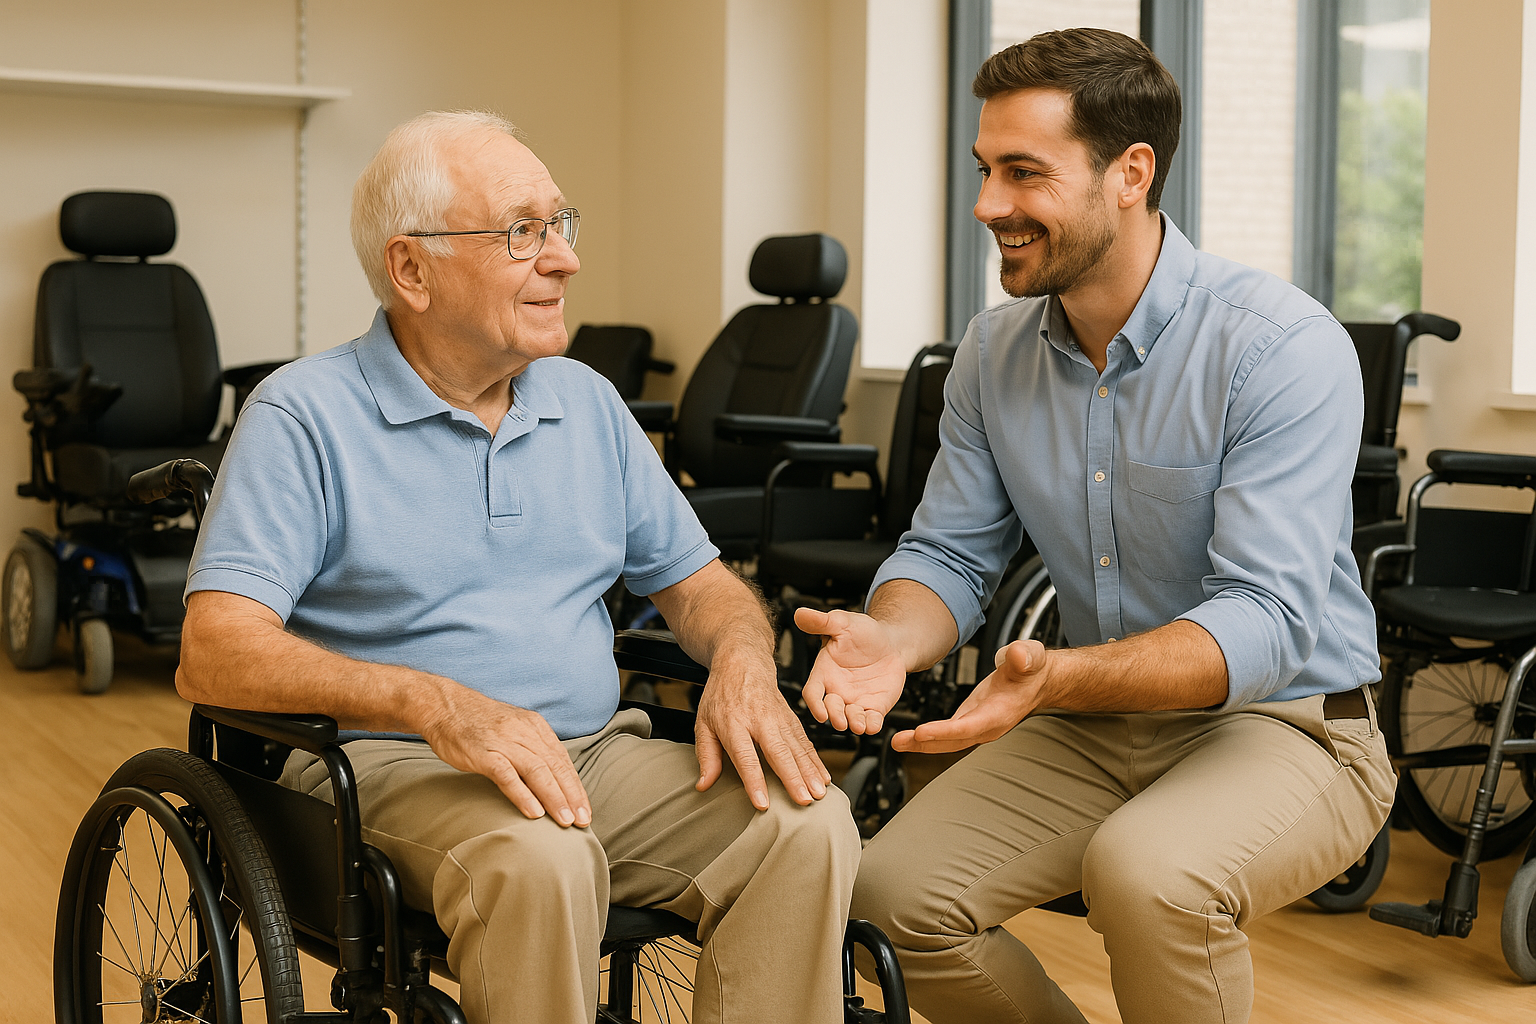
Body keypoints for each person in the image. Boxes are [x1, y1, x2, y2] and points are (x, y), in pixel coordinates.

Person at [176, 109, 860, 1024]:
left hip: (592, 757)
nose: (564, 259)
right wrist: (433, 701)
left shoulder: (588, 402)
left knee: (806, 825)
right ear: (410, 269)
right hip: (388, 767)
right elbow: (213, 652)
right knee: (540, 858)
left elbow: (700, 584)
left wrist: (740, 662)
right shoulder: (303, 417)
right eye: (520, 232)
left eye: (559, 224)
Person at [795, 28, 1394, 1024]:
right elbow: (948, 551)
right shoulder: (991, 354)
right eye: (985, 170)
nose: (989, 205)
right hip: (1099, 720)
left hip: (1293, 723)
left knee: (1149, 874)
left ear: (1130, 172)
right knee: (889, 899)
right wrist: (891, 634)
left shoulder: (1280, 346)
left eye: (1023, 173)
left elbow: (1265, 619)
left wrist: (1058, 678)